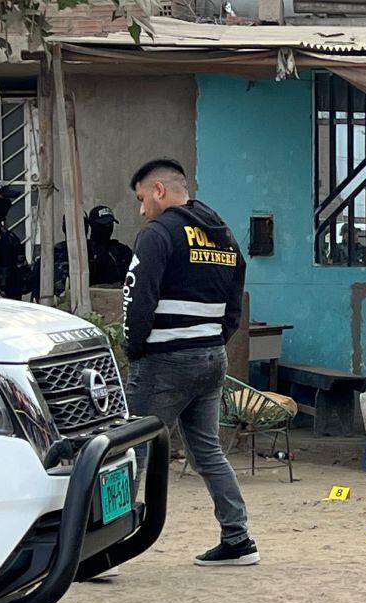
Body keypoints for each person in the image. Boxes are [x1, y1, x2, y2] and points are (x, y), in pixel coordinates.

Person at [122, 158, 257, 565]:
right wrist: (214, 342)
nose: (142, 210)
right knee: (206, 451)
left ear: (159, 191)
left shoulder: (158, 234)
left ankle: (108, 544)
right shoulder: (224, 236)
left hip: (164, 360)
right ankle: (238, 539)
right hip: (211, 358)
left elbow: (137, 297)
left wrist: (134, 347)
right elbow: (235, 305)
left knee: (130, 450)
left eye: (143, 199)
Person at [85, 205, 135, 286]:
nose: (107, 227)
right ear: (92, 225)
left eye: (110, 223)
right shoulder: (84, 251)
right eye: (103, 224)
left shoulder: (123, 251)